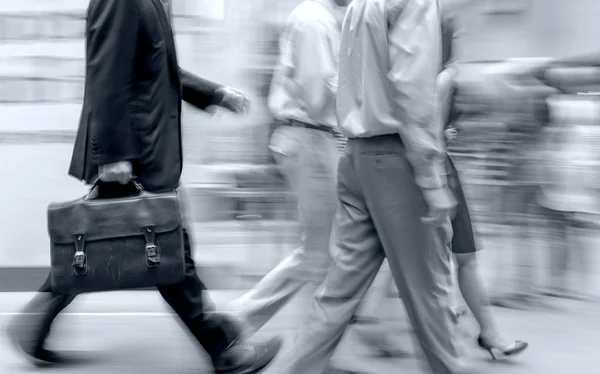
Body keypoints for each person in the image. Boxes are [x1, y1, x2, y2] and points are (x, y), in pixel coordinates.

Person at [7, 1, 281, 373]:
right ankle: (223, 350)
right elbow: (106, 74)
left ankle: (33, 325)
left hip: (145, 150)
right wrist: (113, 155)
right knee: (169, 253)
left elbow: (158, 69)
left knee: (99, 238)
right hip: (134, 152)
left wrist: (213, 93)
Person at [281, 0, 466, 373]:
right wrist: (432, 182)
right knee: (431, 293)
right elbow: (413, 93)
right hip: (399, 161)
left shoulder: (360, 4)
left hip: (357, 154)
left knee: (338, 293)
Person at [226, 0, 350, 337]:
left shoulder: (321, 20)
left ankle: (312, 335)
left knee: (325, 250)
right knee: (320, 252)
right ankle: (241, 320)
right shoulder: (314, 21)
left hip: (313, 138)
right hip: (310, 139)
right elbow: (317, 96)